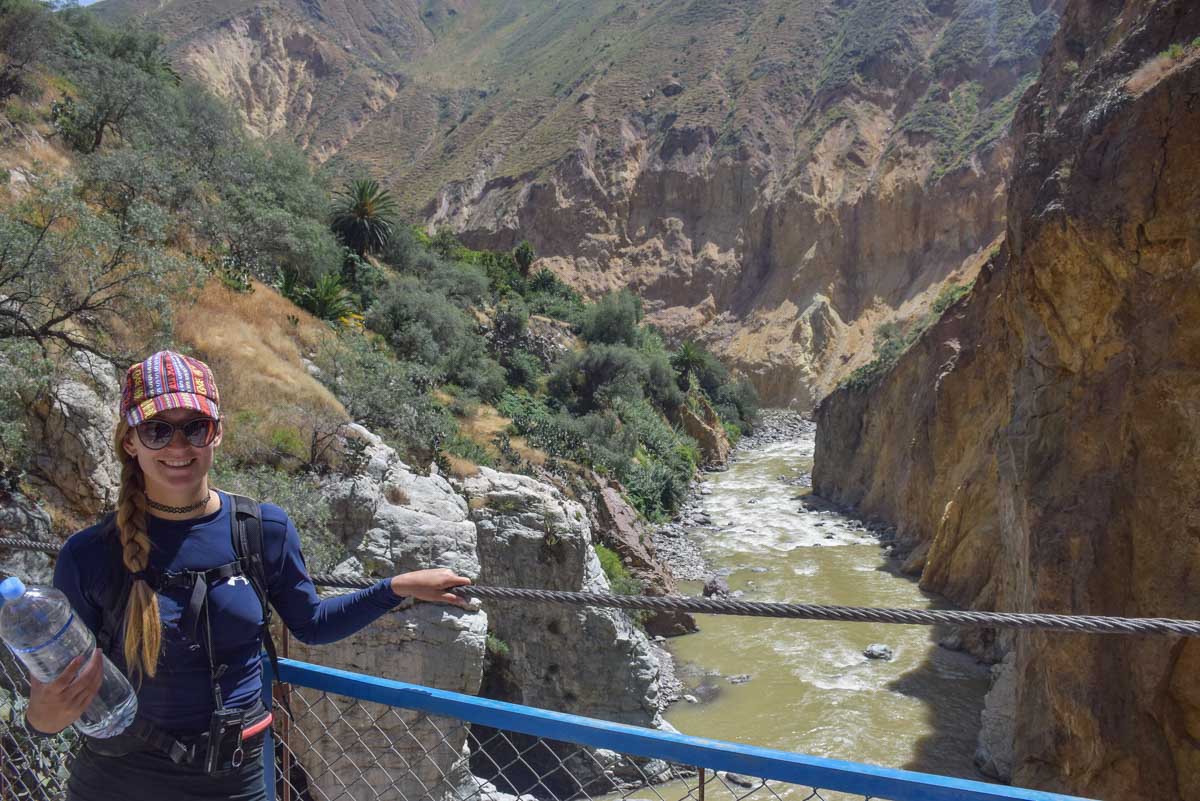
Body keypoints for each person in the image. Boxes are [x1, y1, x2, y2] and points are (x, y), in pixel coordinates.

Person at [24, 350, 472, 801]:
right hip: (118, 783)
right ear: (130, 442)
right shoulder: (89, 555)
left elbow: (311, 625)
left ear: (216, 433)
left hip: (236, 782)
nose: (178, 447)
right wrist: (42, 713)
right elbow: (54, 705)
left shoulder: (262, 532)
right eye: (157, 430)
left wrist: (395, 588)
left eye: (194, 427)